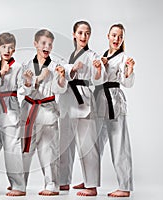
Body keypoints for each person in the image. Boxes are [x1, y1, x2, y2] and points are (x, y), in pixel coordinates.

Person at [58, 21, 105, 196]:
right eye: (80, 33)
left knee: (87, 143)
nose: (83, 36)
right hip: (66, 100)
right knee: (64, 143)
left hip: (83, 99)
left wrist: (99, 69)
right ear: (74, 34)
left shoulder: (93, 55)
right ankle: (63, 181)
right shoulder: (69, 55)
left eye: (87, 33)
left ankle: (91, 185)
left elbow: (98, 78)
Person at [21, 29, 67, 196]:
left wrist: (61, 77)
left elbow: (58, 89)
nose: (46, 46)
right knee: (24, 149)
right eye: (43, 43)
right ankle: (20, 185)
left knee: (48, 149)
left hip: (47, 110)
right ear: (35, 44)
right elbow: (23, 90)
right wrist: (29, 81)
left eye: (49, 44)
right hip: (28, 110)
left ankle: (52, 184)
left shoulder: (55, 66)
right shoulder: (26, 65)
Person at [95, 23, 135, 197]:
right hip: (100, 102)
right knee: (95, 144)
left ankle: (124, 187)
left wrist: (129, 70)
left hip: (114, 103)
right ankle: (91, 181)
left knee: (119, 145)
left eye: (120, 36)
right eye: (114, 35)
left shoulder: (124, 57)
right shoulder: (104, 55)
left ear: (122, 39)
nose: (116, 39)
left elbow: (127, 83)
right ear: (108, 36)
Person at [0, 32, 26, 196]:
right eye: (3, 47)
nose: (7, 50)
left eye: (10, 48)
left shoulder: (18, 67)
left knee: (12, 149)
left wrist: (28, 81)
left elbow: (23, 88)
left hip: (10, 108)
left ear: (14, 50)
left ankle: (18, 186)